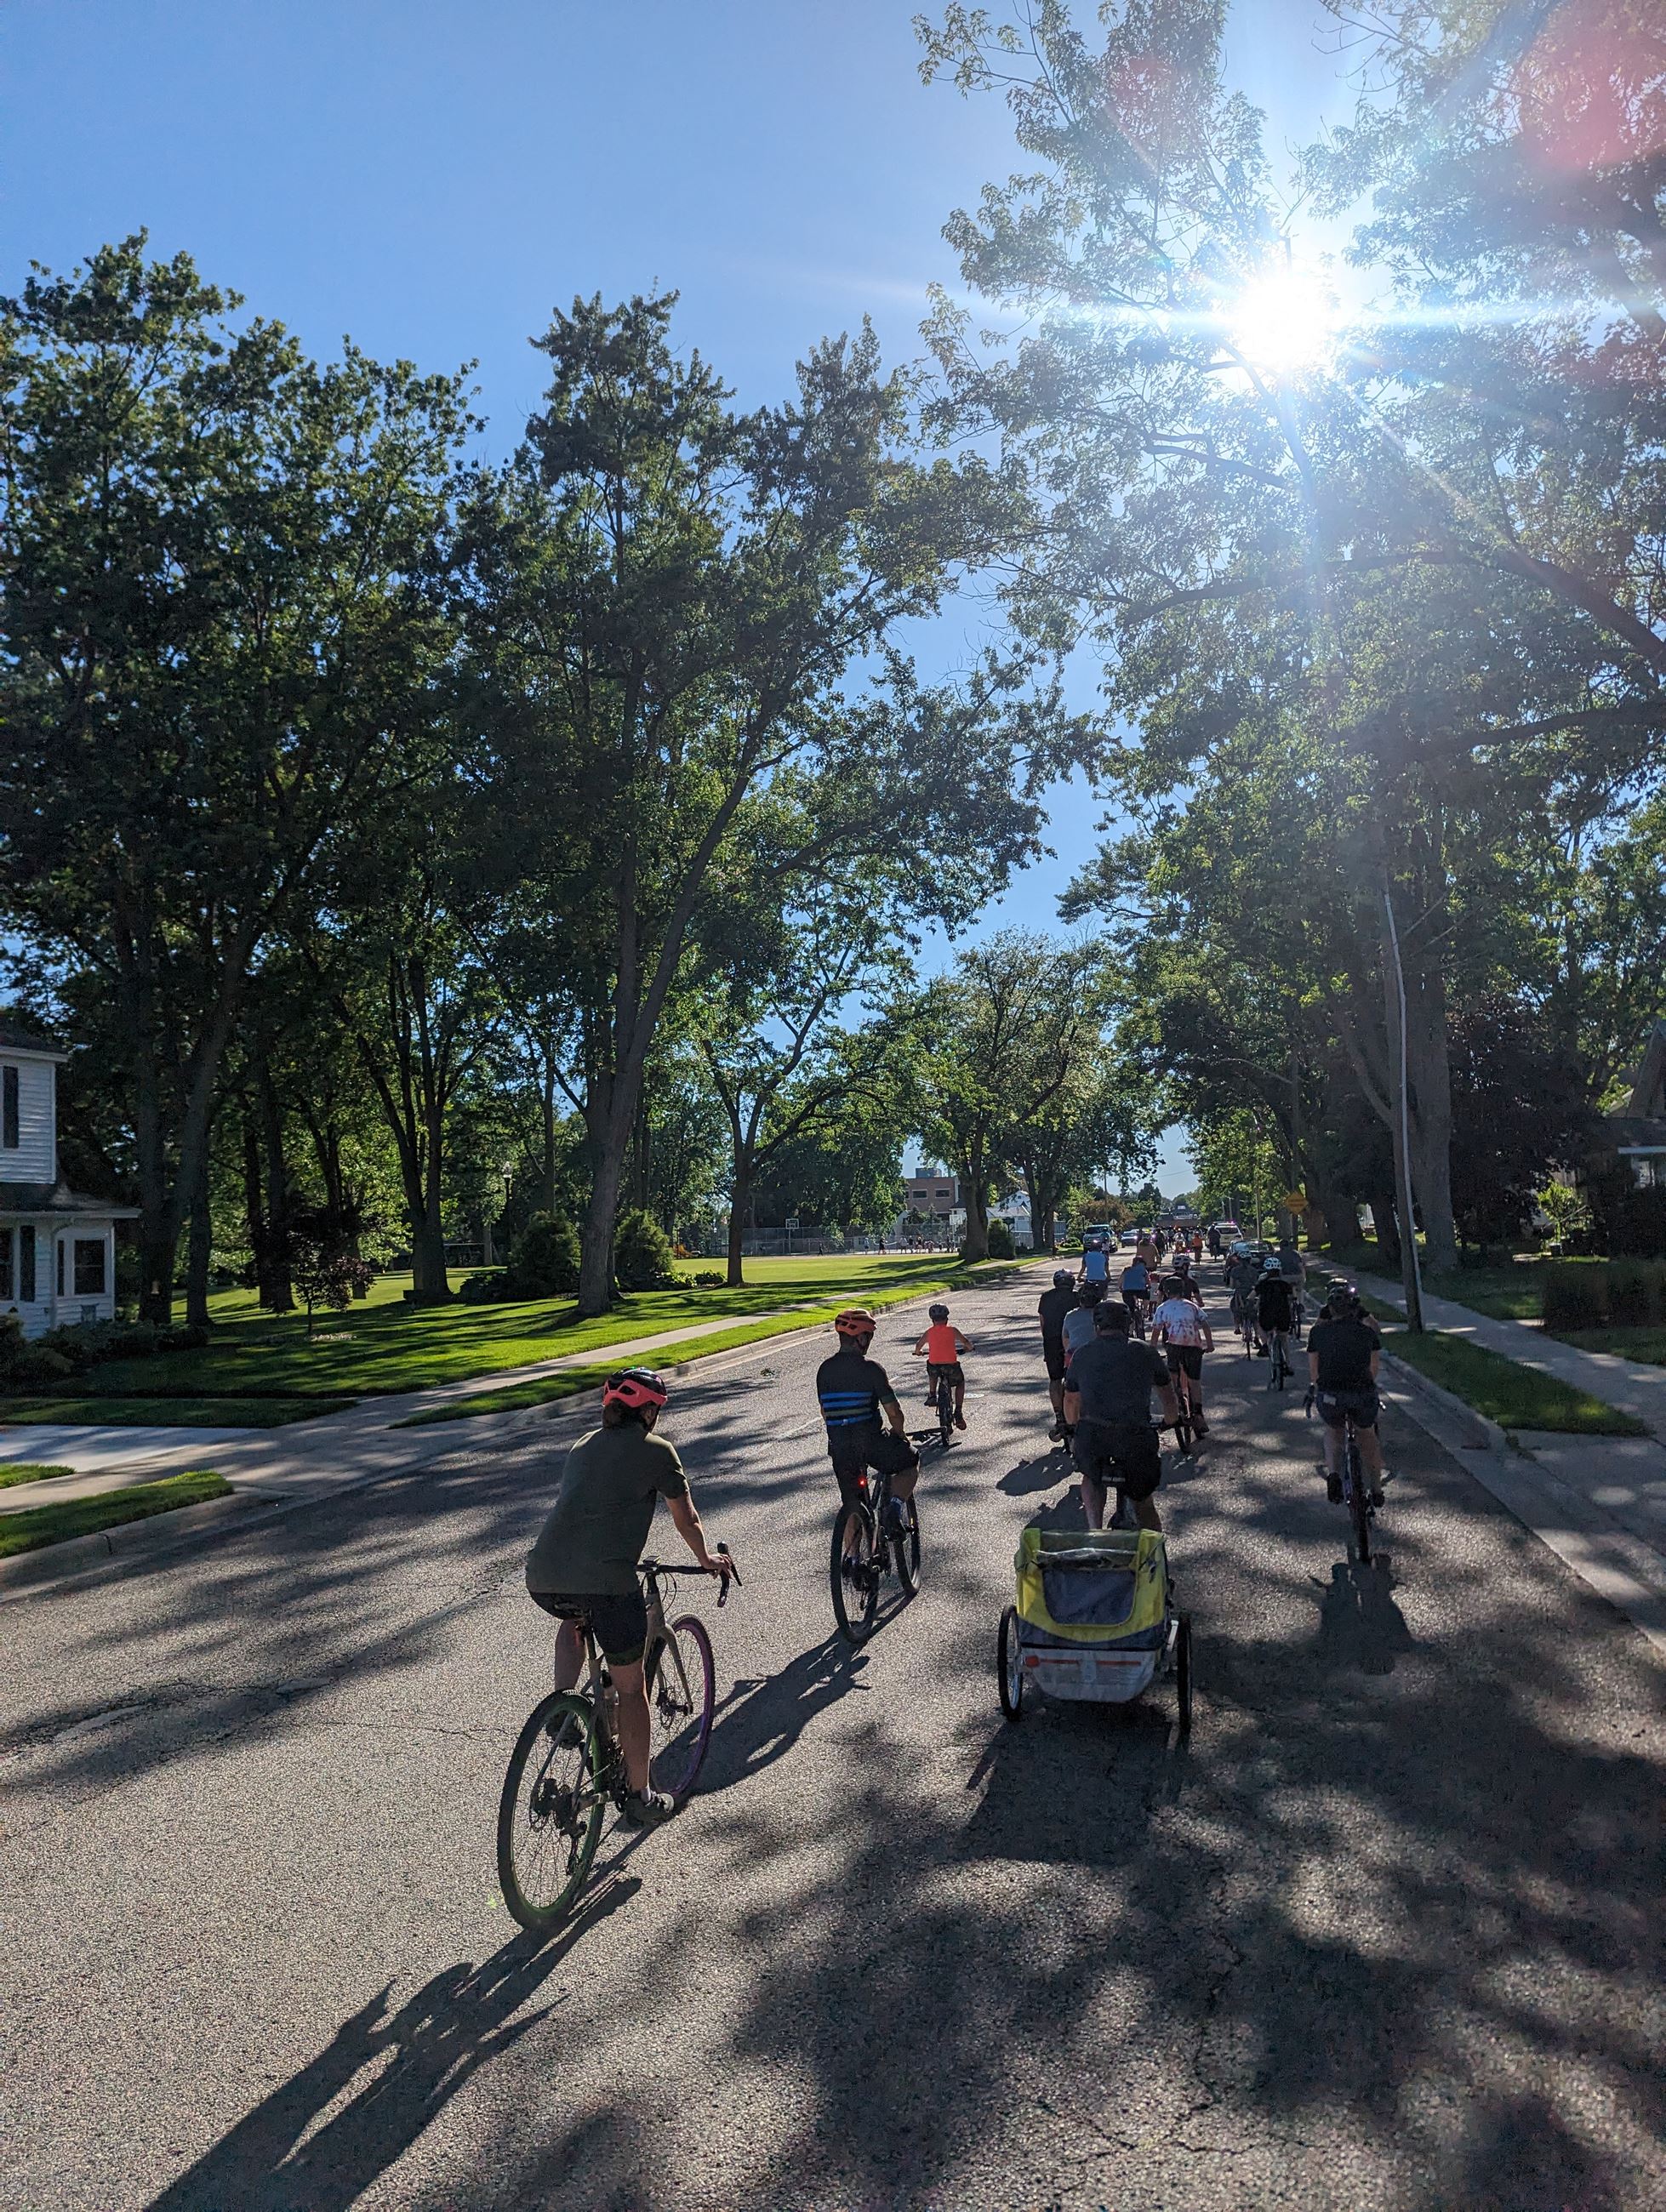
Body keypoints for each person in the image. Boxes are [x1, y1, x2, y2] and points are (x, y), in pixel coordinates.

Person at [526, 1367, 733, 1828]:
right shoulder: (656, 1451)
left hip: (545, 1576)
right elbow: (687, 1518)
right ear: (648, 1410)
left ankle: (564, 1707)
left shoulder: (583, 1445)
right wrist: (705, 1559)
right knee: (632, 1688)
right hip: (608, 1583)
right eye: (656, 1408)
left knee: (575, 1619)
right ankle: (640, 1794)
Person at [1064, 1302, 1181, 1531]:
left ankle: (1094, 1529)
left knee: (1091, 1477)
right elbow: (1168, 1396)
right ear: (1127, 1325)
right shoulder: (1145, 1351)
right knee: (1143, 1500)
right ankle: (1153, 1549)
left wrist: (1072, 1427)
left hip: (1094, 1435)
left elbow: (1071, 1400)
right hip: (1136, 1435)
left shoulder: (1083, 1353)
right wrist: (1171, 1419)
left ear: (1096, 1326)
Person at [818, 1308, 921, 1554]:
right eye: (869, 1337)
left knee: (852, 1503)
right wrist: (900, 1433)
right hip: (871, 1442)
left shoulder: (824, 1370)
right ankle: (895, 1509)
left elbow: (825, 1411)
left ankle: (853, 1560)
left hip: (840, 1447)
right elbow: (893, 1411)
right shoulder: (871, 1369)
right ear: (861, 1339)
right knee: (911, 1460)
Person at [1306, 1286, 1388, 1506]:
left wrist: (1315, 1388)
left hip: (1331, 1395)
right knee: (1367, 1434)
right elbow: (1373, 1371)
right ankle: (1377, 1489)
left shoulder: (1317, 1333)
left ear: (1330, 1309)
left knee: (1333, 1431)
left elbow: (1315, 1373)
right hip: (1361, 1394)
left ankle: (1333, 1474)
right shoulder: (1368, 1334)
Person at [1150, 1272, 1213, 1435]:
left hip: (1174, 1347)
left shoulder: (1162, 1308)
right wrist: (1210, 1345)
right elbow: (1205, 1325)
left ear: (1166, 1291)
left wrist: (1152, 1350)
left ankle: (1176, 1405)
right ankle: (1198, 1414)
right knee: (1194, 1381)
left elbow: (1156, 1331)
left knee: (1172, 1376)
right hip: (1193, 1346)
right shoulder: (1192, 1306)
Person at [913, 1301, 971, 1429]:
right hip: (951, 1364)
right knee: (960, 1383)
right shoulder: (953, 1330)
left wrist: (919, 1352)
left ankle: (932, 1394)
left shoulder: (929, 1332)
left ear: (932, 1320)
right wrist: (969, 1348)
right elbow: (966, 1342)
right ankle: (958, 1411)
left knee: (932, 1370)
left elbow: (918, 1346)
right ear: (946, 1319)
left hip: (935, 1364)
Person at [1037, 1267, 1078, 1440]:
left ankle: (1059, 1416)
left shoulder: (1046, 1297)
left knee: (1055, 1379)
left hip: (1052, 1341)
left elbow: (1042, 1323)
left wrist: (1047, 1340)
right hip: (1073, 1342)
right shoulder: (1077, 1297)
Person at [1254, 1256, 1297, 1371]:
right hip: (1283, 1315)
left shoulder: (1262, 1284)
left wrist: (1251, 1303)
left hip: (1266, 1315)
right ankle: (1288, 1364)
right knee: (1284, 1339)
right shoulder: (1285, 1284)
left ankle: (1265, 1345)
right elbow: (1293, 1297)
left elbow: (1251, 1296)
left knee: (1259, 1325)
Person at [1228, 1246, 1264, 1346]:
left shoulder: (1234, 1271)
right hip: (1252, 1294)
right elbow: (1257, 1283)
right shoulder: (1254, 1271)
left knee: (1235, 1308)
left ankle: (1237, 1327)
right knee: (1255, 1316)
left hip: (1240, 1295)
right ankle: (1257, 1336)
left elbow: (1232, 1286)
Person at [1119, 1251, 1152, 1333]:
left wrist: (1120, 1288)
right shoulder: (1144, 1270)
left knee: (1130, 1310)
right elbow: (1148, 1281)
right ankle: (1145, 1309)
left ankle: (1130, 1328)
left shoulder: (1126, 1270)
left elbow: (1120, 1281)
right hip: (1141, 1291)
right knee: (1147, 1294)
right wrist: (1149, 1286)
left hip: (1127, 1292)